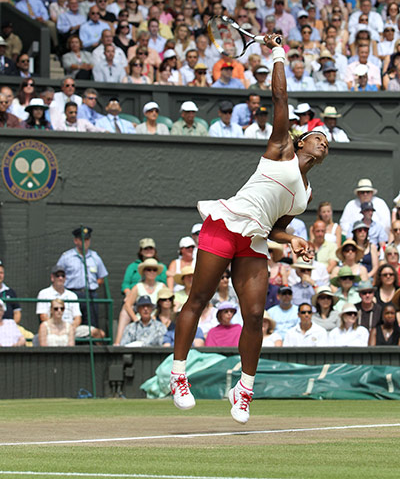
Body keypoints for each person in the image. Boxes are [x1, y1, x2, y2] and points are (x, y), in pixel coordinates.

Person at [170, 33, 329, 424]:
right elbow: (280, 98)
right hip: (225, 226)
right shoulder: (280, 147)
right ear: (302, 140)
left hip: (255, 240)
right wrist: (277, 52)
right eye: (319, 137)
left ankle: (243, 389)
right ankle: (178, 374)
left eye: (329, 143)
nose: (324, 143)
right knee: (199, 297)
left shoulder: (306, 195)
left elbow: (275, 228)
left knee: (255, 314)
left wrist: (293, 239)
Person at [56, 226, 108, 328]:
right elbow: (58, 274)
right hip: (72, 294)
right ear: (76, 241)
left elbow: (101, 276)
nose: (85, 242)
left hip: (90, 295)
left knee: (91, 325)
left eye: (87, 239)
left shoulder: (95, 257)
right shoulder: (67, 257)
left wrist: (93, 285)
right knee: (71, 322)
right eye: (82, 239)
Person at [36, 265, 105, 340]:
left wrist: (70, 328)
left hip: (71, 328)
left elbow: (77, 317)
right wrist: (55, 327)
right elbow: (43, 317)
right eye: (57, 276)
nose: (60, 278)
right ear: (52, 277)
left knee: (99, 333)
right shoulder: (43, 293)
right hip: (51, 329)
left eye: (63, 276)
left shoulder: (72, 295)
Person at [114, 258, 166, 346]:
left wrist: (155, 315)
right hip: (140, 317)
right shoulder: (138, 286)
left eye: (154, 270)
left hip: (158, 318)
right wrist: (135, 318)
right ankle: (117, 342)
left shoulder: (162, 286)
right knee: (124, 310)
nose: (151, 272)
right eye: (149, 269)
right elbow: (128, 304)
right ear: (144, 272)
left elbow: (167, 302)